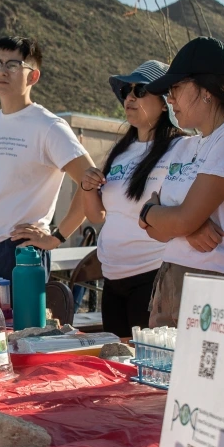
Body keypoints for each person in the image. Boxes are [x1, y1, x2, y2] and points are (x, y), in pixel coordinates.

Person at [138, 37, 224, 327]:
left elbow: (174, 219)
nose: (169, 99)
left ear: (207, 91)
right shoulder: (190, 145)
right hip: (174, 281)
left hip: (218, 287)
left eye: (175, 88)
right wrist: (177, 224)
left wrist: (158, 215)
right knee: (162, 374)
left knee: (207, 374)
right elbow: (157, 231)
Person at [0, 37, 93, 284]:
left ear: (33, 76)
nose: (2, 71)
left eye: (13, 65)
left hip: (21, 249)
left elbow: (91, 180)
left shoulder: (49, 127)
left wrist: (57, 237)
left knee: (18, 323)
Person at [77, 61, 185, 338]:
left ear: (165, 103)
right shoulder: (121, 151)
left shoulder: (181, 148)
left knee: (145, 364)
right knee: (118, 364)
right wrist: (87, 187)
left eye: (140, 90)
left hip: (153, 275)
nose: (130, 97)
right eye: (127, 90)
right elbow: (97, 216)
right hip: (112, 277)